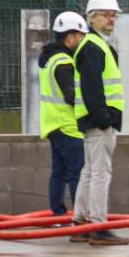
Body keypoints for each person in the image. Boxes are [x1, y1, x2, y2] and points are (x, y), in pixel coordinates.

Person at [71, 0, 129, 246]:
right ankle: (98, 226)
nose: (111, 19)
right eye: (106, 15)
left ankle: (80, 223)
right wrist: (104, 118)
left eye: (114, 15)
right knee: (100, 173)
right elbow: (92, 88)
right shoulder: (94, 47)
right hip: (99, 122)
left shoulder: (96, 46)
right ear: (91, 19)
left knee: (90, 171)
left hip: (94, 120)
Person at [38, 12, 89, 219]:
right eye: (80, 35)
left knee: (58, 172)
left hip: (52, 124)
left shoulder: (48, 59)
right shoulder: (64, 61)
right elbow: (70, 95)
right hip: (68, 125)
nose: (82, 40)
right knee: (77, 173)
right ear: (70, 37)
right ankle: (81, 216)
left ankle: (58, 214)